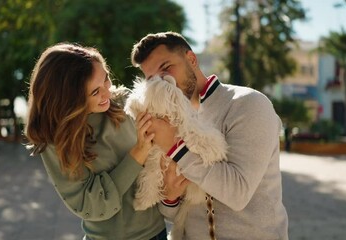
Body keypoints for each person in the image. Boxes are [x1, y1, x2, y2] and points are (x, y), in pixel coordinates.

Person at [131, 32, 289, 240]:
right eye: (154, 80)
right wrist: (170, 197)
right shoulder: (169, 122)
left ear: (191, 59)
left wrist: (174, 146)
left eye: (167, 69)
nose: (165, 84)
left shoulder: (248, 104)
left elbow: (237, 193)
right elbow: (178, 214)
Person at [24, 43, 167, 240]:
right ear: (70, 99)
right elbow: (91, 205)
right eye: (94, 92)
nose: (107, 92)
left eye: (106, 78)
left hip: (157, 232)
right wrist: (139, 152)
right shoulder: (56, 141)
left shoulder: (124, 101)